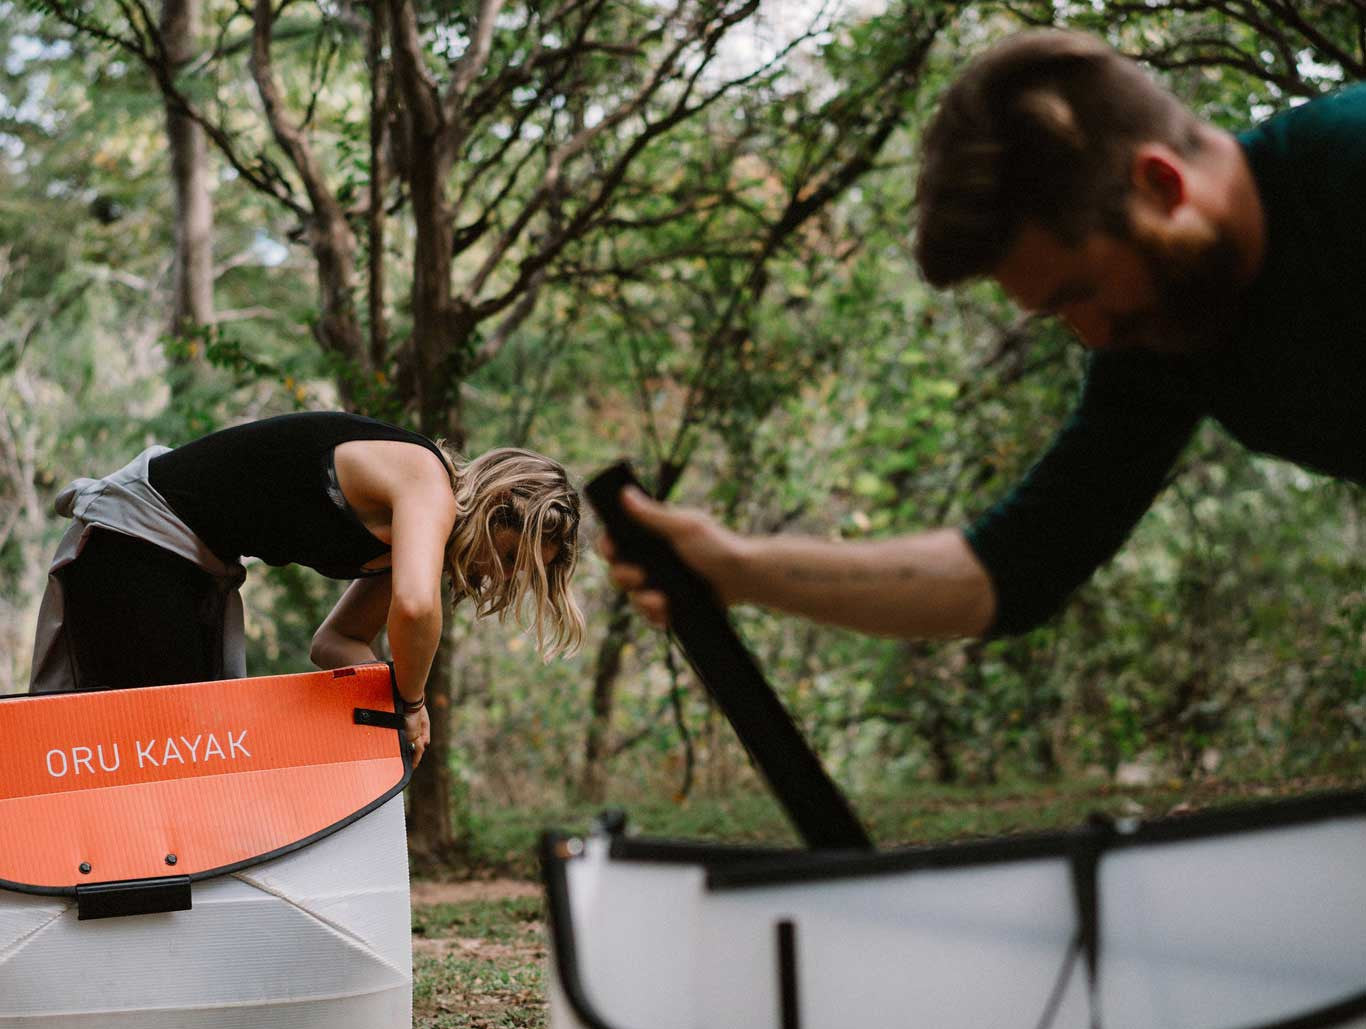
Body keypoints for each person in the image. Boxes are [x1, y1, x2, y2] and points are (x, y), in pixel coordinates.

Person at [601, 29, 1365, 645]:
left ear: (1161, 187)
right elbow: (1011, 569)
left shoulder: (1344, 165)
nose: (1092, 335)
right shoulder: (1163, 329)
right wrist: (740, 569)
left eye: (1080, 294)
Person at [30, 411, 584, 766]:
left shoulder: (409, 539)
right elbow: (414, 610)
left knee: (190, 760)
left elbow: (336, 642)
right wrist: (412, 701)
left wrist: (389, 702)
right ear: (496, 509)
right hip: (136, 538)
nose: (502, 575)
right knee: (162, 756)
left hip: (186, 569)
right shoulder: (427, 482)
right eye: (511, 556)